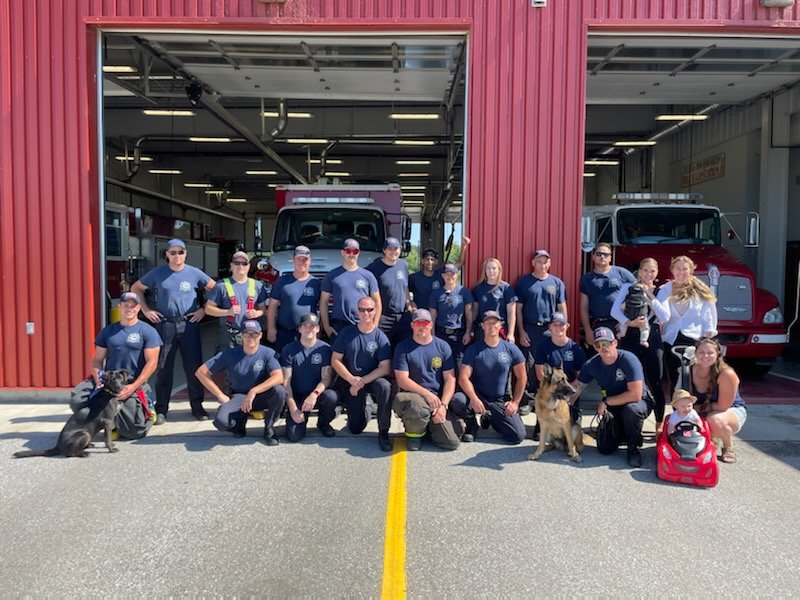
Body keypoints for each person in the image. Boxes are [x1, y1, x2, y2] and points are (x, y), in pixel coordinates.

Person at [130, 238, 216, 424]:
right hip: (165, 325)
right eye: (173, 252)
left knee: (194, 367)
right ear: (167, 255)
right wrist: (145, 310)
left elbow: (216, 290)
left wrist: (203, 309)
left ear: (186, 254)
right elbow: (136, 288)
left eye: (181, 252)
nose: (177, 256)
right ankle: (162, 409)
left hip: (189, 324)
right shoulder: (157, 273)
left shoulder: (194, 273)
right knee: (164, 367)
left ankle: (197, 407)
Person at [79, 291, 162, 440]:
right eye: (126, 305)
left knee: (134, 432)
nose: (129, 309)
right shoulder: (108, 331)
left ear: (138, 308)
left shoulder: (148, 331)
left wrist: (133, 386)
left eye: (133, 306)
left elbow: (152, 363)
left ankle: (149, 411)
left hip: (133, 383)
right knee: (78, 399)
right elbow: (97, 360)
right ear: (120, 307)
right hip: (110, 382)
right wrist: (98, 380)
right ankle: (110, 423)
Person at [195, 320, 287, 446]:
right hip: (240, 397)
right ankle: (239, 423)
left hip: (261, 395)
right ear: (241, 335)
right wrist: (220, 395)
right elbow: (201, 372)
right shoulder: (230, 354)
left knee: (279, 391)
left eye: (254, 334)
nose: (250, 338)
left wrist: (254, 391)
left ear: (260, 335)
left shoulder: (268, 353)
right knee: (221, 422)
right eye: (246, 334)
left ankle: (269, 428)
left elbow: (278, 377)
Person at [572, 327, 654, 468]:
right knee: (605, 448)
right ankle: (622, 434)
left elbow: (635, 395)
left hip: (639, 402)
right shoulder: (592, 365)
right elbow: (577, 388)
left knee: (631, 410)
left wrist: (606, 402)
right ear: (595, 347)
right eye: (599, 345)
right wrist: (562, 402)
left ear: (615, 343)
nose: (603, 348)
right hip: (614, 405)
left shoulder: (628, 359)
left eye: (606, 343)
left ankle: (633, 448)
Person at [451, 311, 528, 444]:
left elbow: (522, 377)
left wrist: (515, 402)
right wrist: (474, 399)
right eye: (488, 323)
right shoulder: (474, 349)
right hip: (478, 396)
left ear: (500, 325)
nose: (492, 326)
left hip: (499, 399)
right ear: (482, 326)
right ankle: (471, 424)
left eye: (495, 323)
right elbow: (463, 377)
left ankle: (493, 419)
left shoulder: (511, 349)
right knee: (458, 400)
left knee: (518, 435)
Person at [392, 308, 462, 451]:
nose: (422, 326)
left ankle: (429, 427)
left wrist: (443, 406)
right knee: (417, 407)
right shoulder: (403, 347)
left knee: (452, 443)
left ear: (431, 325)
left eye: (425, 323)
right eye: (418, 323)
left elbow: (450, 379)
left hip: (436, 400)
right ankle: (414, 435)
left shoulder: (443, 346)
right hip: (414, 397)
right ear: (412, 325)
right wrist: (426, 394)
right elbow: (402, 380)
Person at [612, 257, 667, 435]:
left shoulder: (661, 291)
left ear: (657, 273)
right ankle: (624, 422)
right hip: (630, 334)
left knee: (655, 380)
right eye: (645, 270)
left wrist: (650, 296)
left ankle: (659, 422)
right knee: (627, 378)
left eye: (652, 271)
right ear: (639, 271)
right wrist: (629, 322)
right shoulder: (628, 287)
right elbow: (615, 311)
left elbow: (664, 316)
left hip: (652, 336)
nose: (648, 274)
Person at [331, 296, 394, 451]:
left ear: (375, 311)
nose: (366, 313)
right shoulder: (347, 333)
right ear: (357, 311)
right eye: (362, 309)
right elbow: (335, 360)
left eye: (370, 310)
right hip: (351, 379)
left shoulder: (380, 337)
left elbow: (385, 367)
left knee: (385, 386)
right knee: (355, 428)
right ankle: (368, 408)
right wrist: (351, 379)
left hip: (372, 379)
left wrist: (362, 381)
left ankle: (383, 431)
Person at [652, 255, 718, 392]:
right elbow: (661, 313)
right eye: (678, 268)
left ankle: (694, 404)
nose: (681, 272)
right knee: (674, 378)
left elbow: (708, 313)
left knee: (693, 377)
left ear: (691, 270)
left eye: (685, 269)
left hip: (694, 338)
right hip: (671, 338)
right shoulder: (665, 289)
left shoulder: (700, 290)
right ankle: (676, 405)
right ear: (672, 270)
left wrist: (709, 332)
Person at [515, 249, 568, 410]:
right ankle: (529, 400)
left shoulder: (557, 283)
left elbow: (561, 306)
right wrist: (521, 331)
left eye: (545, 262)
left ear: (549, 263)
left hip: (550, 329)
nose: (542, 265)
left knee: (551, 365)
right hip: (530, 328)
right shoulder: (524, 282)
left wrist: (563, 327)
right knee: (530, 365)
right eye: (539, 261)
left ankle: (551, 397)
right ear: (533, 263)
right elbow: (518, 309)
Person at [686, 337, 746, 463]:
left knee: (714, 420)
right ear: (695, 353)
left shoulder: (726, 373)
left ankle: (728, 446)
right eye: (701, 352)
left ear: (718, 354)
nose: (705, 356)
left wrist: (697, 409)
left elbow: (722, 406)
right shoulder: (688, 370)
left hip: (730, 410)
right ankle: (712, 439)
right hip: (705, 409)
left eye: (710, 353)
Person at [280, 313, 339, 442]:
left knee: (331, 396)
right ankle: (299, 420)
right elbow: (286, 383)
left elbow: (326, 378)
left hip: (315, 395)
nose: (308, 329)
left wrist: (314, 394)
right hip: (297, 397)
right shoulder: (289, 350)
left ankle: (323, 423)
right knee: (294, 436)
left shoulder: (325, 349)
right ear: (299, 329)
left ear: (317, 329)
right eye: (305, 326)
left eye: (312, 326)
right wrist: (293, 409)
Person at [204, 251, 268, 350]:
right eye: (237, 263)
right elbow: (208, 309)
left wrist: (256, 313)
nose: (241, 266)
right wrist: (228, 312)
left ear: (249, 266)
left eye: (244, 263)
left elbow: (263, 310)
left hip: (251, 334)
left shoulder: (258, 286)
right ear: (231, 266)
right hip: (229, 335)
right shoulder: (221, 286)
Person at [320, 238, 381, 341]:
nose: (351, 254)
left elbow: (377, 301)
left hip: (362, 324)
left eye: (355, 251)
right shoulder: (331, 275)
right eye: (348, 251)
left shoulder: (368, 276)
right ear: (342, 252)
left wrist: (375, 324)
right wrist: (326, 327)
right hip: (339, 326)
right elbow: (323, 302)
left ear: (358, 253)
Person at [533, 312, 586, 424]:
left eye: (561, 324)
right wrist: (554, 391)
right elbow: (540, 374)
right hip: (551, 391)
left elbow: (581, 376)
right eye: (555, 325)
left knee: (573, 428)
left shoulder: (576, 348)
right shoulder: (542, 346)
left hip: (569, 390)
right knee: (542, 431)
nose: (558, 327)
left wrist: (569, 394)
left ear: (567, 326)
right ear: (550, 327)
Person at [266, 245, 321, 353]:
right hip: (285, 332)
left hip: (308, 332)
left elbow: (322, 309)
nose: (302, 262)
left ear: (310, 261)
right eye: (299, 259)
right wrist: (271, 329)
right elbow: (272, 307)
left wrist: (320, 330)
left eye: (305, 259)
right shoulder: (282, 281)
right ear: (293, 260)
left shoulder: (316, 283)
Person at [579, 242, 635, 347]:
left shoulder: (623, 273)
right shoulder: (586, 279)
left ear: (610, 257)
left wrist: (625, 320)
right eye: (599, 254)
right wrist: (588, 330)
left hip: (621, 324)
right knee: (601, 354)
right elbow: (584, 308)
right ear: (593, 257)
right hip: (598, 324)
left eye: (606, 254)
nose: (602, 256)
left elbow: (636, 295)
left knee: (622, 354)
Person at [367, 237, 413, 345]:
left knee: (403, 348)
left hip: (402, 317)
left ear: (400, 250)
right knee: (383, 348)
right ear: (384, 250)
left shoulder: (403, 265)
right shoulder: (374, 268)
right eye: (390, 249)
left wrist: (409, 306)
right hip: (384, 317)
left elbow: (405, 287)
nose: (393, 252)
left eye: (396, 248)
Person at [428, 263, 474, 366]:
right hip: (441, 334)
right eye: (447, 274)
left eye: (452, 274)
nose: (449, 276)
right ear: (442, 275)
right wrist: (432, 335)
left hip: (459, 335)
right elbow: (432, 317)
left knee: (459, 364)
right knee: (440, 364)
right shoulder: (436, 293)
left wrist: (468, 332)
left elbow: (469, 314)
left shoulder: (464, 292)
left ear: (456, 275)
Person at [408, 236, 470, 312]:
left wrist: (464, 246)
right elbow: (403, 291)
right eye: (427, 259)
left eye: (432, 260)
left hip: (437, 315)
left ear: (436, 262)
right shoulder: (414, 278)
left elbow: (459, 264)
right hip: (421, 316)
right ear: (422, 261)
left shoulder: (441, 275)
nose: (430, 262)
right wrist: (411, 303)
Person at [471, 257, 517, 344]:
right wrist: (470, 330)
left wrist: (511, 334)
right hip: (482, 330)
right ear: (485, 271)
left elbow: (511, 313)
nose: (491, 271)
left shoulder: (506, 288)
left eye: (494, 268)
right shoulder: (478, 289)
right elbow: (474, 313)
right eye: (488, 268)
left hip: (499, 329)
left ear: (499, 270)